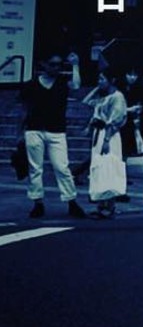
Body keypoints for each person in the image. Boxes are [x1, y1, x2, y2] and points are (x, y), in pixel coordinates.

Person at [21, 53, 87, 220]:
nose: (56, 68)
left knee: (62, 167)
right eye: (52, 64)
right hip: (34, 128)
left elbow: (77, 85)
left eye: (58, 65)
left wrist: (75, 65)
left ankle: (71, 200)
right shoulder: (32, 84)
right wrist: (20, 132)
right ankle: (37, 202)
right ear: (44, 64)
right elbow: (25, 107)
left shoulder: (62, 82)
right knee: (35, 168)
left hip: (56, 130)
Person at [84, 71, 128, 218]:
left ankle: (110, 205)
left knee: (110, 168)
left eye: (102, 79)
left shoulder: (117, 97)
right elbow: (86, 101)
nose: (99, 81)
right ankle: (101, 204)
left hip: (109, 135)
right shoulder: (102, 97)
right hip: (98, 134)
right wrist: (97, 88)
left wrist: (107, 140)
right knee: (99, 168)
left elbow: (116, 121)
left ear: (111, 80)